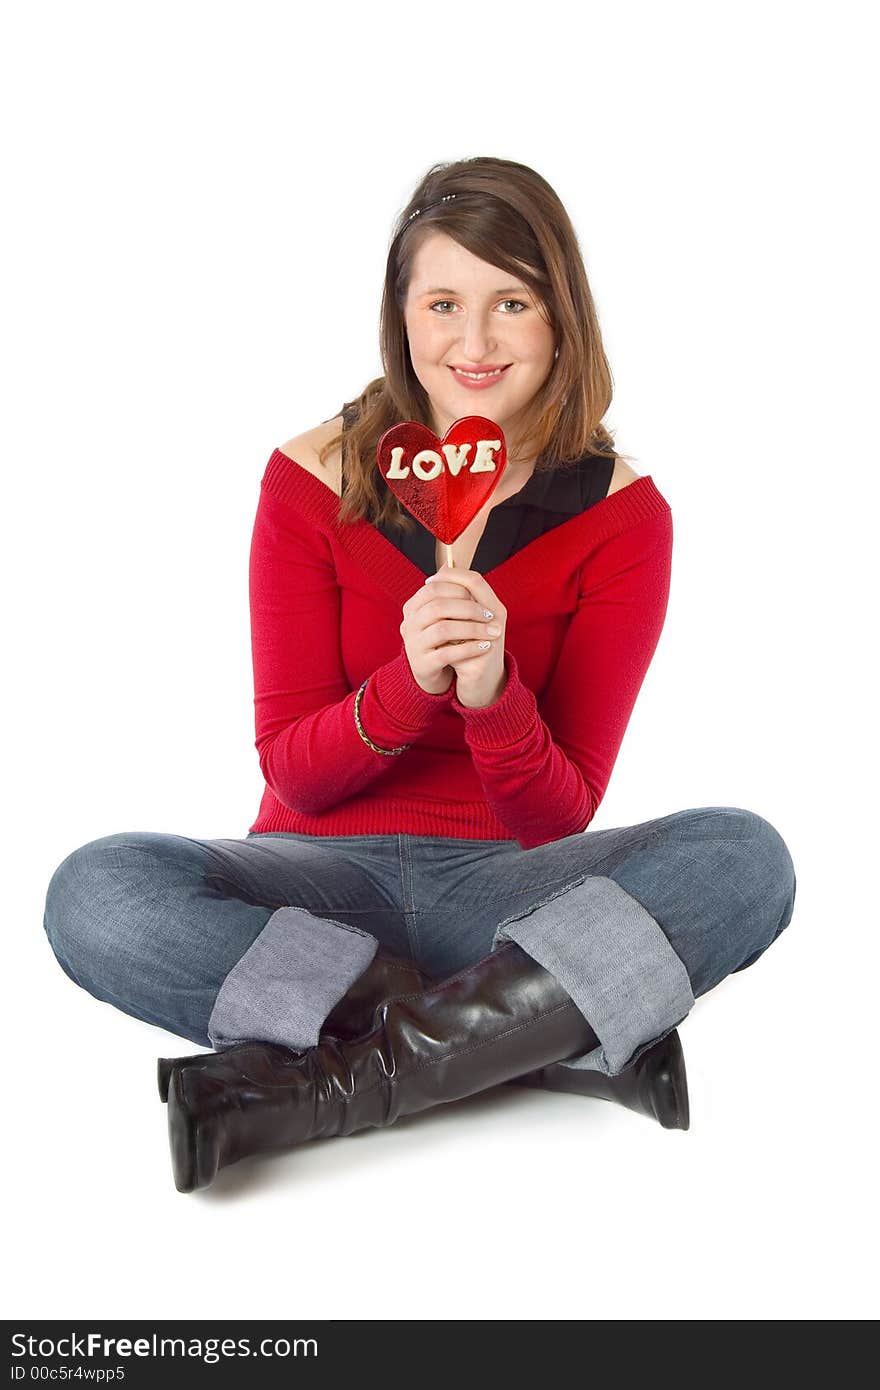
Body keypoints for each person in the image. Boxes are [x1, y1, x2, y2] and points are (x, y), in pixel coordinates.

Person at [42, 156, 797, 1194]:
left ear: (560, 318)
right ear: (401, 317)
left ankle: (322, 1084)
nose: (475, 343)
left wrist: (492, 694)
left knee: (744, 857)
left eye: (511, 303)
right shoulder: (313, 477)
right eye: (443, 302)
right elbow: (294, 775)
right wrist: (406, 683)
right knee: (97, 891)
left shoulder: (622, 516)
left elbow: (558, 810)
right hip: (314, 883)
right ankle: (544, 1028)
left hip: (508, 884)